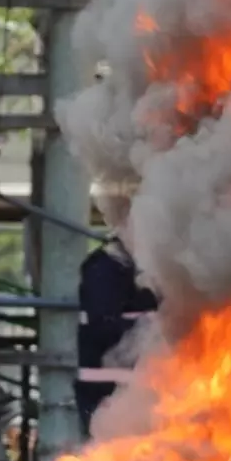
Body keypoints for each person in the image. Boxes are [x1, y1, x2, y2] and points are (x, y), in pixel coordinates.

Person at [75, 186, 159, 438]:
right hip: (106, 395)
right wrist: (161, 331)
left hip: (144, 391)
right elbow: (105, 327)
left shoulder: (149, 270)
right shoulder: (103, 269)